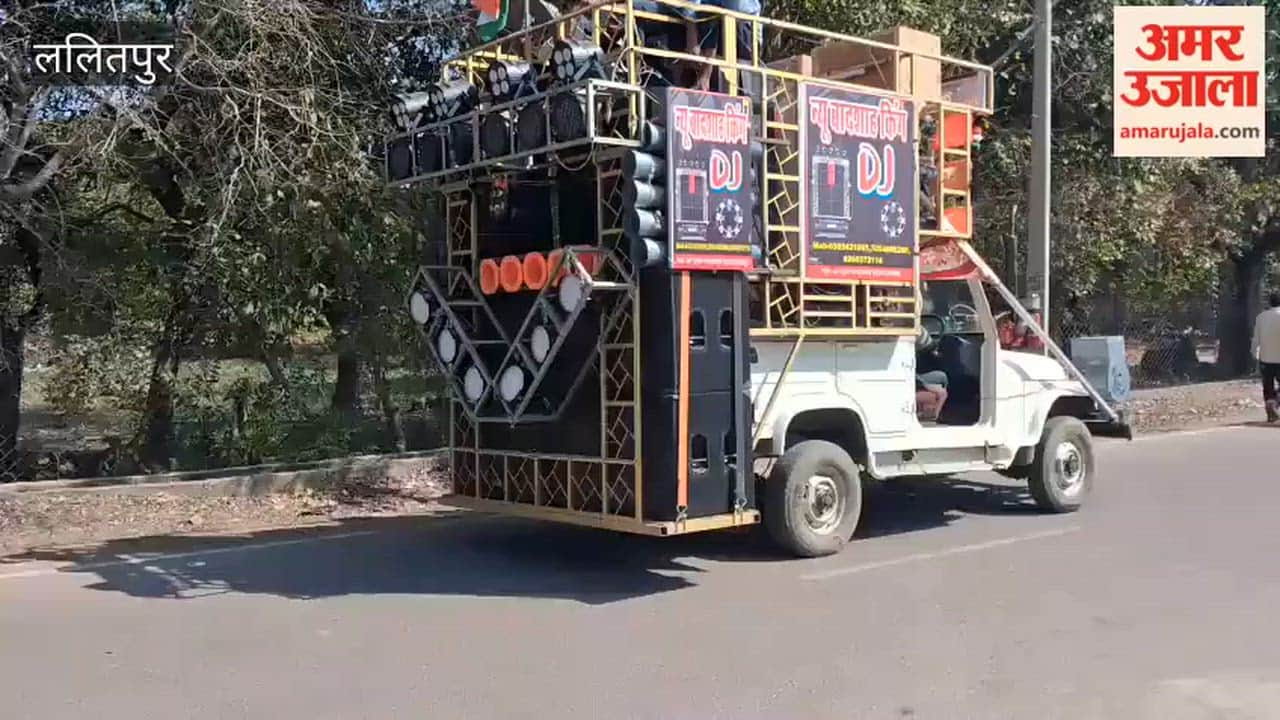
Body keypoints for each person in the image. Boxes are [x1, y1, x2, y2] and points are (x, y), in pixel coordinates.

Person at [1252, 291, 1280, 422]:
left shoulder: (1261, 317)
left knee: (1268, 385)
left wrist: (1254, 354)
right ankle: (1274, 403)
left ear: (1270, 303)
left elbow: (1256, 339)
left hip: (1266, 358)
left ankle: (1270, 404)